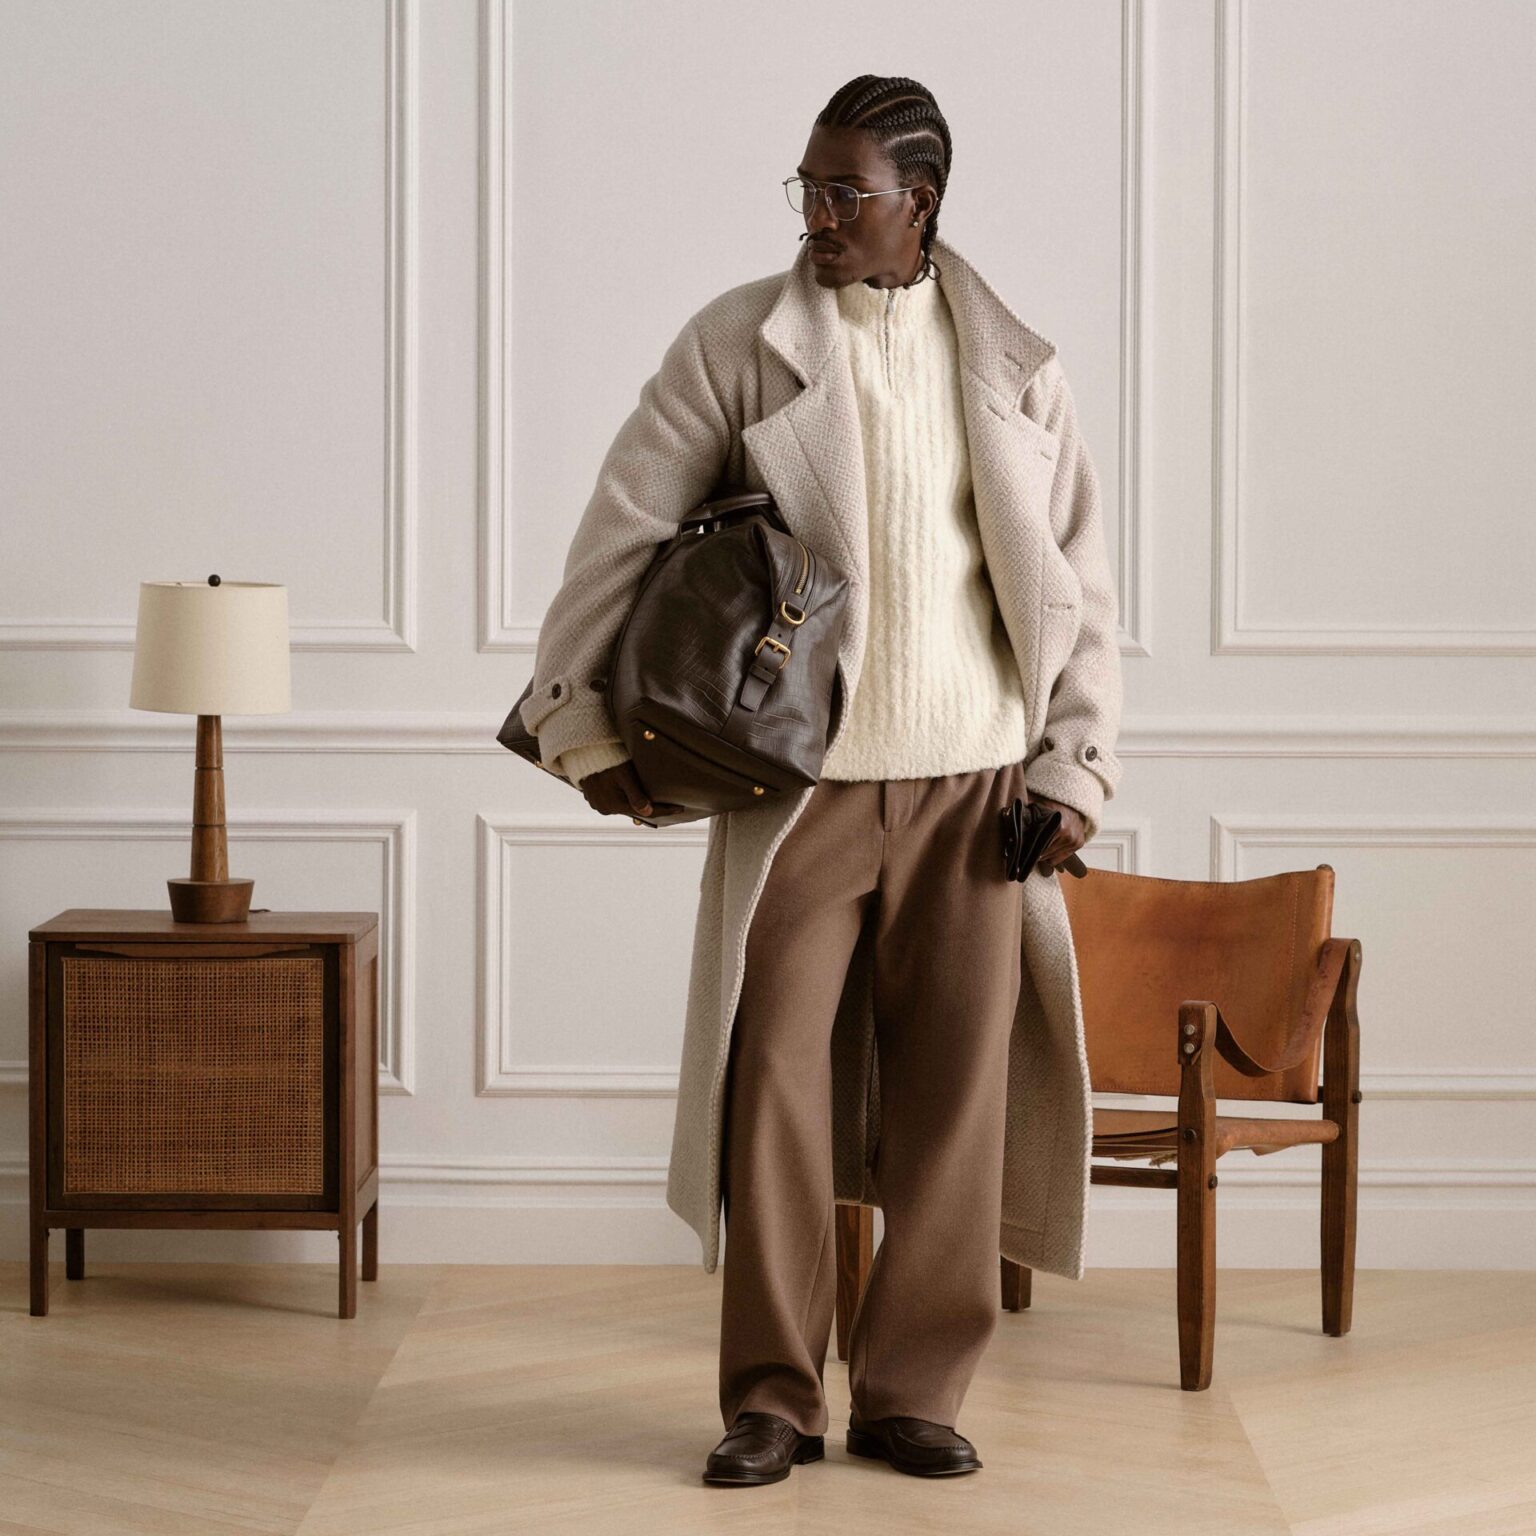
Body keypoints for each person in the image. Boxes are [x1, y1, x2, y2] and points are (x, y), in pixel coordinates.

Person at [519, 74, 1122, 1487]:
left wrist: (1073, 766)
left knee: (957, 1103)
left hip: (979, 793)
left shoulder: (1018, 361)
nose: (818, 216)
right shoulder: (739, 343)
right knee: (774, 1088)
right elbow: (621, 530)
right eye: (806, 186)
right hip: (800, 793)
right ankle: (773, 1400)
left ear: (923, 201)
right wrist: (580, 725)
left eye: (847, 191)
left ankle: (914, 1390)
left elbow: (1080, 584)